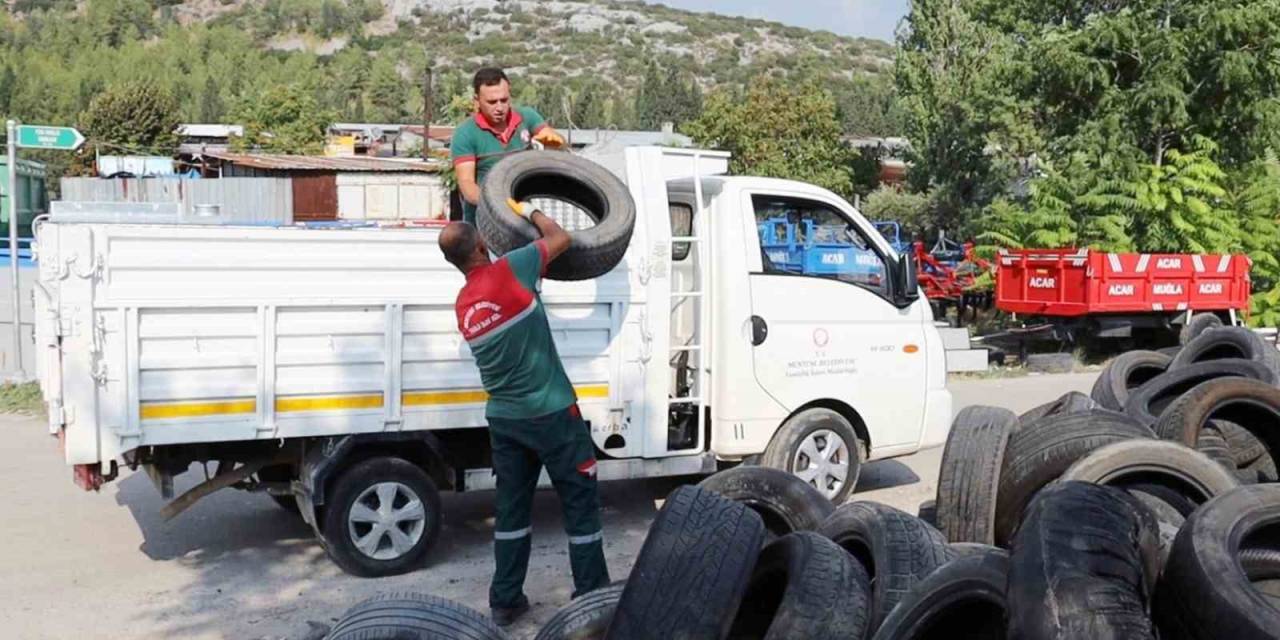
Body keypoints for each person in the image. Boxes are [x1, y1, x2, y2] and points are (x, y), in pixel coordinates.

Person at [437, 200, 609, 627]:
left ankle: (506, 599)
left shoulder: (463, 304)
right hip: (552, 413)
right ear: (480, 244)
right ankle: (592, 597)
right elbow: (561, 239)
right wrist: (529, 209)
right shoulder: (513, 268)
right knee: (580, 505)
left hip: (506, 422)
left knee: (512, 512)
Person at [451, 67, 566, 224]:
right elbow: (467, 185)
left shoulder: (527, 116)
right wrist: (500, 207)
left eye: (504, 100)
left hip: (524, 219)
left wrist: (556, 143)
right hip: (483, 223)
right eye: (492, 102)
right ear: (476, 101)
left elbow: (554, 139)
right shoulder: (465, 133)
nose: (499, 108)